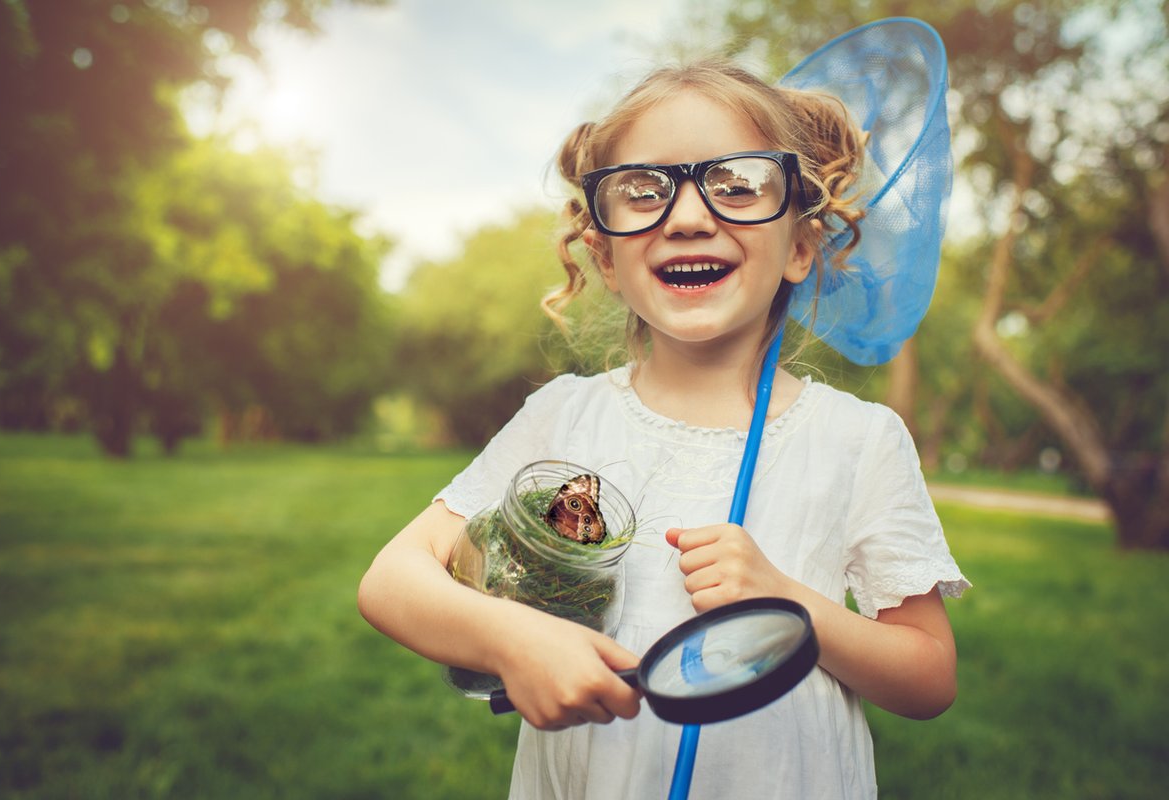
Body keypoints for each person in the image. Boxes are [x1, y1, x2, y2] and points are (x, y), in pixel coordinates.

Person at [359, 56, 969, 799]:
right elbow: (392, 581)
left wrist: (788, 602)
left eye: (737, 185)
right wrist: (515, 638)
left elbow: (929, 676)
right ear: (607, 256)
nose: (686, 217)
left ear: (801, 247)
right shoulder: (564, 416)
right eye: (642, 192)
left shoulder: (858, 440)